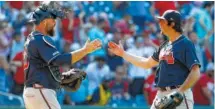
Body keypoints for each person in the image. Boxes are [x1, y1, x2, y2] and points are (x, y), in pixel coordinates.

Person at [108, 10, 201, 109]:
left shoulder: (185, 44)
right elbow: (146, 63)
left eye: (163, 21)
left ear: (172, 24)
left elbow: (195, 72)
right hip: (161, 96)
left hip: (179, 95)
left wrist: (180, 92)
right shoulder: (165, 45)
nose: (160, 24)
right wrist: (123, 54)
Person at [23, 2, 102, 109]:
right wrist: (85, 51)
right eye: (53, 20)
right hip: (40, 91)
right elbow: (58, 60)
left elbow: (44, 67)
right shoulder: (40, 39)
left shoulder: (31, 39)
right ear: (45, 22)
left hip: (35, 91)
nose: (55, 23)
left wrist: (59, 78)